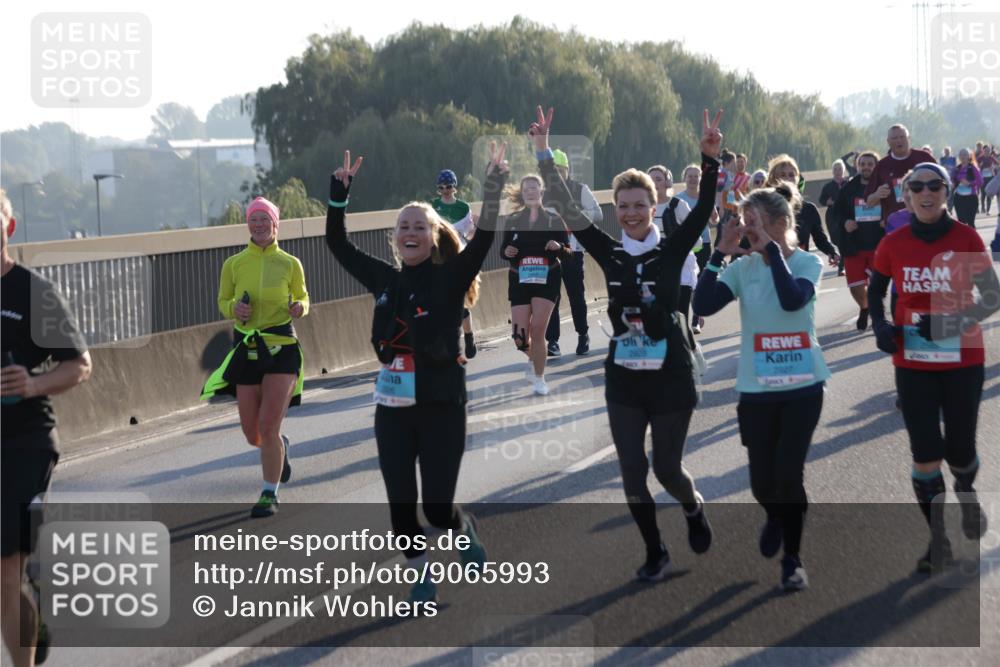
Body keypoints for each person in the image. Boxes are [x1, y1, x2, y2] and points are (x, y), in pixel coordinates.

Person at [534, 105, 721, 581]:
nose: (632, 213)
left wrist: (710, 160)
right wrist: (542, 154)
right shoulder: (610, 252)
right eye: (624, 206)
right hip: (624, 375)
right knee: (633, 473)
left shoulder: (671, 249)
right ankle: (655, 551)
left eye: (640, 205)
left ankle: (692, 506)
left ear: (653, 207)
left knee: (667, 471)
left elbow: (702, 212)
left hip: (672, 375)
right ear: (616, 211)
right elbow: (568, 207)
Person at [325, 145, 507, 603]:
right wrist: (339, 196)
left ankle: (462, 526)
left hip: (443, 402)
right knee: (403, 511)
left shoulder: (448, 279)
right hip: (393, 408)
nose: (410, 232)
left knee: (438, 508)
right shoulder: (386, 281)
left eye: (418, 226)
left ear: (433, 235)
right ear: (395, 238)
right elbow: (337, 245)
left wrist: (493, 185)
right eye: (403, 227)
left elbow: (484, 237)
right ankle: (421, 575)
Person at [694, 185, 831, 591]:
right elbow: (702, 305)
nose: (748, 227)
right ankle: (775, 513)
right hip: (756, 388)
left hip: (804, 385)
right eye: (744, 219)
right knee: (761, 483)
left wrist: (771, 252)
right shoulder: (742, 268)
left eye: (756, 221)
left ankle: (793, 558)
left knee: (789, 475)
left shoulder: (808, 262)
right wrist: (720, 251)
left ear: (782, 224)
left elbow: (792, 301)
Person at [867, 162, 1000, 573]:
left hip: (963, 358)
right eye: (917, 187)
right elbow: (876, 290)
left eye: (935, 186)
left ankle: (965, 486)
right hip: (913, 361)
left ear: (946, 193)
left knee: (959, 451)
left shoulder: (965, 238)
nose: (926, 193)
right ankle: (937, 538)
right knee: (925, 452)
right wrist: (880, 327)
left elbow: (991, 299)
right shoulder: (894, 242)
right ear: (906, 197)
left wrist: (945, 324)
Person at [2, 188, 92, 667]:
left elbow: (80, 365)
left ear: (8, 227)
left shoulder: (32, 291)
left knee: (4, 568)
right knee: (7, 576)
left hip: (26, 441)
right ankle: (32, 628)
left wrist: (33, 383)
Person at [201, 196, 309, 518]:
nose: (260, 225)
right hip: (247, 348)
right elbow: (223, 300)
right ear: (247, 224)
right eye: (254, 219)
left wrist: (299, 307)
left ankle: (268, 493)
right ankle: (280, 447)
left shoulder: (290, 263)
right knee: (254, 434)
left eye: (266, 219)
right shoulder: (234, 264)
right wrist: (234, 308)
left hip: (281, 348)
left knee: (268, 423)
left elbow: (303, 296)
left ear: (276, 224)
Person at [502, 171, 573, 395]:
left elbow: (570, 252)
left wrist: (558, 247)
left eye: (534, 188)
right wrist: (508, 251)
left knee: (538, 329)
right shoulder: (513, 220)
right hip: (519, 278)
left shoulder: (553, 219)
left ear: (541, 192)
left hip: (547, 277)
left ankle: (540, 378)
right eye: (526, 189)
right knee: (520, 338)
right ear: (522, 194)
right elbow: (503, 251)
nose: (530, 192)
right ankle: (535, 359)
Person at [543, 149, 600, 357]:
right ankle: (552, 341)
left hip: (573, 251)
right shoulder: (544, 194)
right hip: (549, 253)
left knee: (576, 297)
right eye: (554, 170)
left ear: (568, 170)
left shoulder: (579, 189)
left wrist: (576, 216)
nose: (557, 174)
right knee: (551, 298)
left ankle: (583, 335)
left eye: (561, 170)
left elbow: (598, 213)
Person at [831, 151, 883, 329]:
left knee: (876, 287)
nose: (866, 167)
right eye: (863, 164)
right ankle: (864, 307)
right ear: (858, 166)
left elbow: (897, 206)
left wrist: (887, 219)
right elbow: (836, 213)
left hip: (878, 245)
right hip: (854, 245)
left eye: (870, 164)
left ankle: (877, 316)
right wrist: (845, 222)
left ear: (876, 166)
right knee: (855, 287)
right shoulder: (848, 188)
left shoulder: (883, 186)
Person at [431, 169, 479, 359]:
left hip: (458, 259)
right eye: (441, 187)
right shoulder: (432, 207)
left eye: (449, 186)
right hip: (438, 260)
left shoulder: (463, 208)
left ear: (455, 187)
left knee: (460, 304)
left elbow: (469, 234)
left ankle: (468, 337)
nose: (445, 190)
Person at [649, 165, 700, 339]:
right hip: (655, 266)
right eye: (651, 179)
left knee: (681, 315)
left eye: (658, 179)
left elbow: (696, 237)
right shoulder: (643, 207)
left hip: (681, 265)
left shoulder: (678, 205)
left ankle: (689, 351)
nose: (654, 183)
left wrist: (678, 243)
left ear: (667, 182)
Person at [765, 155, 840, 268]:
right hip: (770, 268)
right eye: (782, 175)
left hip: (800, 268)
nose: (787, 179)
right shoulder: (763, 208)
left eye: (791, 175)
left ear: (798, 179)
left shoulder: (808, 209)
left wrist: (832, 252)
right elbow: (749, 241)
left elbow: (820, 239)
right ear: (773, 180)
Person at [675, 163, 719, 334]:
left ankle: (695, 320)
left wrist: (714, 215)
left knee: (699, 283)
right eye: (690, 176)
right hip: (684, 246)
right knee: (685, 284)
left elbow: (714, 221)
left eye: (696, 176)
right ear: (684, 179)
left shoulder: (706, 197)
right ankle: (682, 317)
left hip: (703, 244)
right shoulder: (678, 199)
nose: (693, 179)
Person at [864, 124, 935, 225]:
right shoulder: (882, 165)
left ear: (909, 139)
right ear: (888, 142)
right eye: (894, 138)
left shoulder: (924, 158)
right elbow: (869, 202)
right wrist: (877, 195)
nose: (899, 141)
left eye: (902, 137)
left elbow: (943, 185)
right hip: (896, 225)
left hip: (925, 221)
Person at [819, 159, 850, 276]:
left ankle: (841, 267)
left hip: (845, 215)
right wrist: (827, 201)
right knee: (835, 240)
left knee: (844, 240)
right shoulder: (828, 186)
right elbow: (821, 200)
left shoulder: (848, 184)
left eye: (840, 169)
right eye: (835, 169)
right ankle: (844, 263)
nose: (838, 171)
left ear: (843, 170)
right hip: (832, 216)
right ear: (832, 171)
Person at [951, 149, 983, 228]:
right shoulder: (956, 169)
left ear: (969, 156)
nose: (963, 156)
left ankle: (973, 240)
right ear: (959, 156)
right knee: (961, 222)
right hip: (958, 198)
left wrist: (970, 184)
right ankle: (963, 240)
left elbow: (980, 182)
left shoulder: (973, 168)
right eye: (961, 154)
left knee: (970, 222)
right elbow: (950, 181)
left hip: (971, 198)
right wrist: (952, 184)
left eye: (965, 154)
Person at [977, 145, 997, 215]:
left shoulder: (991, 158)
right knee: (983, 193)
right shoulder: (980, 158)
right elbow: (975, 166)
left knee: (989, 193)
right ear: (983, 151)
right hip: (982, 178)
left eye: (988, 151)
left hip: (990, 177)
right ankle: (983, 207)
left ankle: (988, 210)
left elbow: (997, 164)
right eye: (986, 151)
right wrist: (979, 166)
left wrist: (993, 167)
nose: (987, 152)